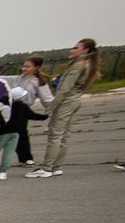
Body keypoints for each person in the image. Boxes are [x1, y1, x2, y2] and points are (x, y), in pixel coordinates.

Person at [32, 38, 98, 176]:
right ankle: (57, 167)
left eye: (76, 48)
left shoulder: (78, 65)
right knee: (64, 136)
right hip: (74, 100)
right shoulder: (88, 63)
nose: (72, 50)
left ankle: (47, 168)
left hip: (67, 102)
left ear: (85, 50)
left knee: (55, 136)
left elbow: (65, 89)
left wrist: (50, 108)